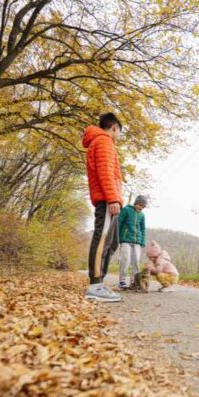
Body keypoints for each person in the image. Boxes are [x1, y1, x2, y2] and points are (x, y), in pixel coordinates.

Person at [83, 113, 124, 302]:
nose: (118, 137)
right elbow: (105, 172)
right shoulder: (104, 141)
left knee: (110, 242)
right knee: (101, 238)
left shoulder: (101, 141)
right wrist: (113, 198)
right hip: (107, 199)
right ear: (114, 127)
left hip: (108, 198)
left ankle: (99, 283)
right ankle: (95, 285)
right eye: (119, 132)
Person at [118, 195, 147, 290]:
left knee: (136, 262)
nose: (141, 208)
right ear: (136, 203)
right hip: (126, 239)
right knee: (125, 260)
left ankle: (134, 282)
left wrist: (142, 241)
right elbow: (119, 223)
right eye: (140, 205)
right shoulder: (126, 210)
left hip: (137, 242)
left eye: (143, 207)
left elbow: (143, 229)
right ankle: (122, 281)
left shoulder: (142, 215)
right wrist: (117, 237)